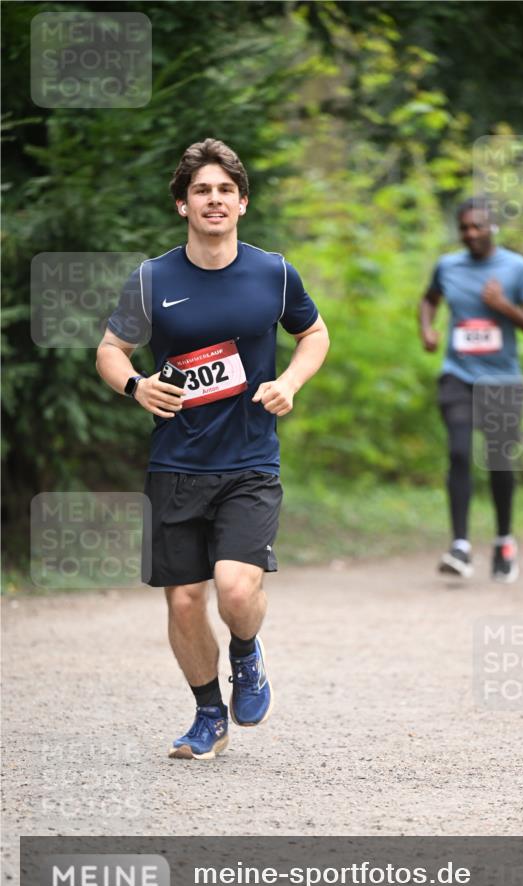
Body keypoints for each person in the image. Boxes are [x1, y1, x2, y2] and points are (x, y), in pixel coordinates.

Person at [96, 138, 329, 759]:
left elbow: (314, 333)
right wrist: (136, 385)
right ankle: (207, 714)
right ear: (182, 205)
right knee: (183, 598)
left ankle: (247, 656)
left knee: (233, 589)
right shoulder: (153, 278)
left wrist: (289, 383)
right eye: (202, 190)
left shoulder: (274, 273)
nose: (214, 199)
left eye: (226, 189)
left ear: (243, 202)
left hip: (250, 462)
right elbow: (110, 349)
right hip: (176, 464)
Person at [418, 197, 523, 582]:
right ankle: (460, 546)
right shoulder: (448, 266)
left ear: (493, 228)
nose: (471, 233)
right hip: (457, 374)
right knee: (459, 452)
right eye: (465, 227)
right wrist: (427, 328)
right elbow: (429, 300)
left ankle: (504, 541)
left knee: (499, 464)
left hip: (502, 380)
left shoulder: (517, 268)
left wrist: (503, 306)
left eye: (478, 226)